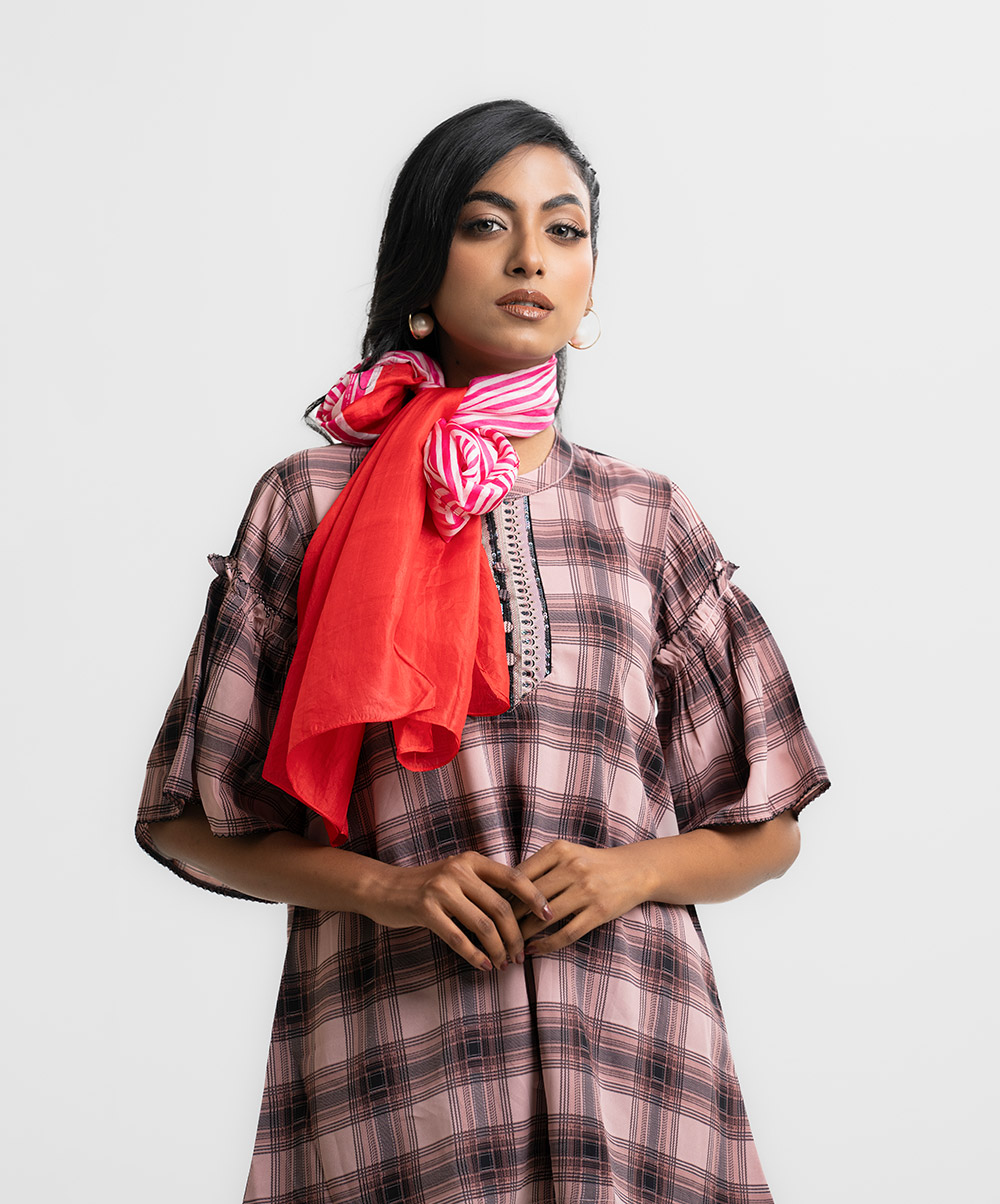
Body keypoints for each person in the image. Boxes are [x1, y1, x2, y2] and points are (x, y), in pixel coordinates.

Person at [138, 99, 830, 1204]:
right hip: (399, 1061)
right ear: (423, 264)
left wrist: (631, 870)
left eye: (564, 230)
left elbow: (768, 824)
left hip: (633, 1056)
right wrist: (388, 889)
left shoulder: (648, 517)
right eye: (485, 224)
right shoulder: (311, 503)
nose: (529, 258)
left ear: (590, 284)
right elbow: (187, 818)